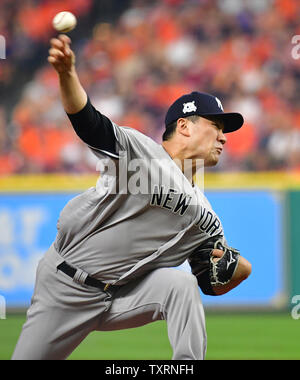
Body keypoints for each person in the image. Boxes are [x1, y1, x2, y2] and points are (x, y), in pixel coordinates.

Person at [12, 34, 251, 360]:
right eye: (216, 125)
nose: (224, 137)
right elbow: (88, 122)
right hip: (65, 287)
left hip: (123, 299)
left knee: (180, 287)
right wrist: (67, 74)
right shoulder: (142, 154)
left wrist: (235, 269)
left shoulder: (206, 216)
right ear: (184, 126)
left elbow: (208, 279)